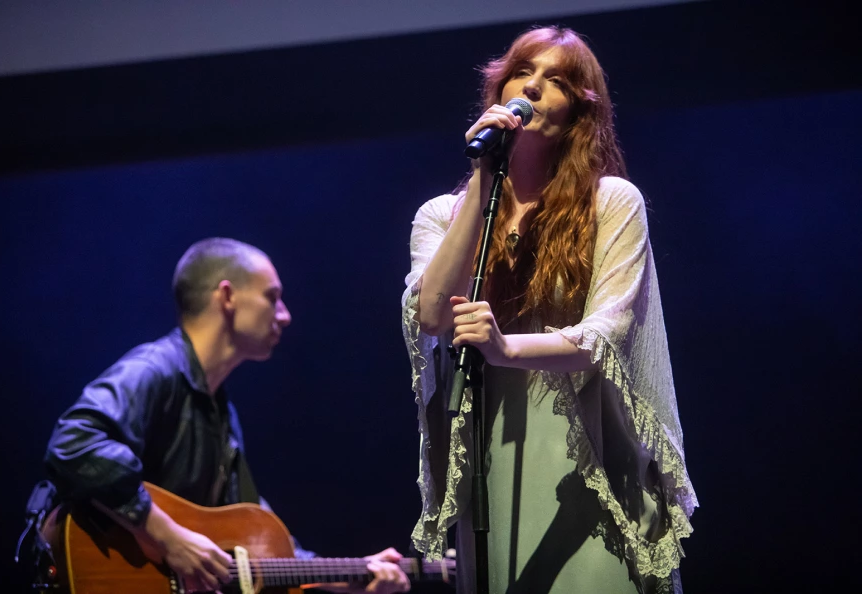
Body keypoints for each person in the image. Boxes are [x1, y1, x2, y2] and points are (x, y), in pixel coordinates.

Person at [402, 27, 697, 593]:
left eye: (555, 80)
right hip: (488, 449)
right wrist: (485, 177)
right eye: (522, 73)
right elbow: (433, 315)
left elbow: (607, 338)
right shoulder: (441, 215)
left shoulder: (611, 202)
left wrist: (505, 348)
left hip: (585, 458)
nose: (533, 87)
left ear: (579, 111)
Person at [45, 237, 410, 593]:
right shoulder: (153, 369)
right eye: (272, 297)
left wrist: (346, 578)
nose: (285, 315)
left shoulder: (221, 411)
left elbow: (252, 536)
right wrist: (167, 536)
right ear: (227, 296)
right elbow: (76, 441)